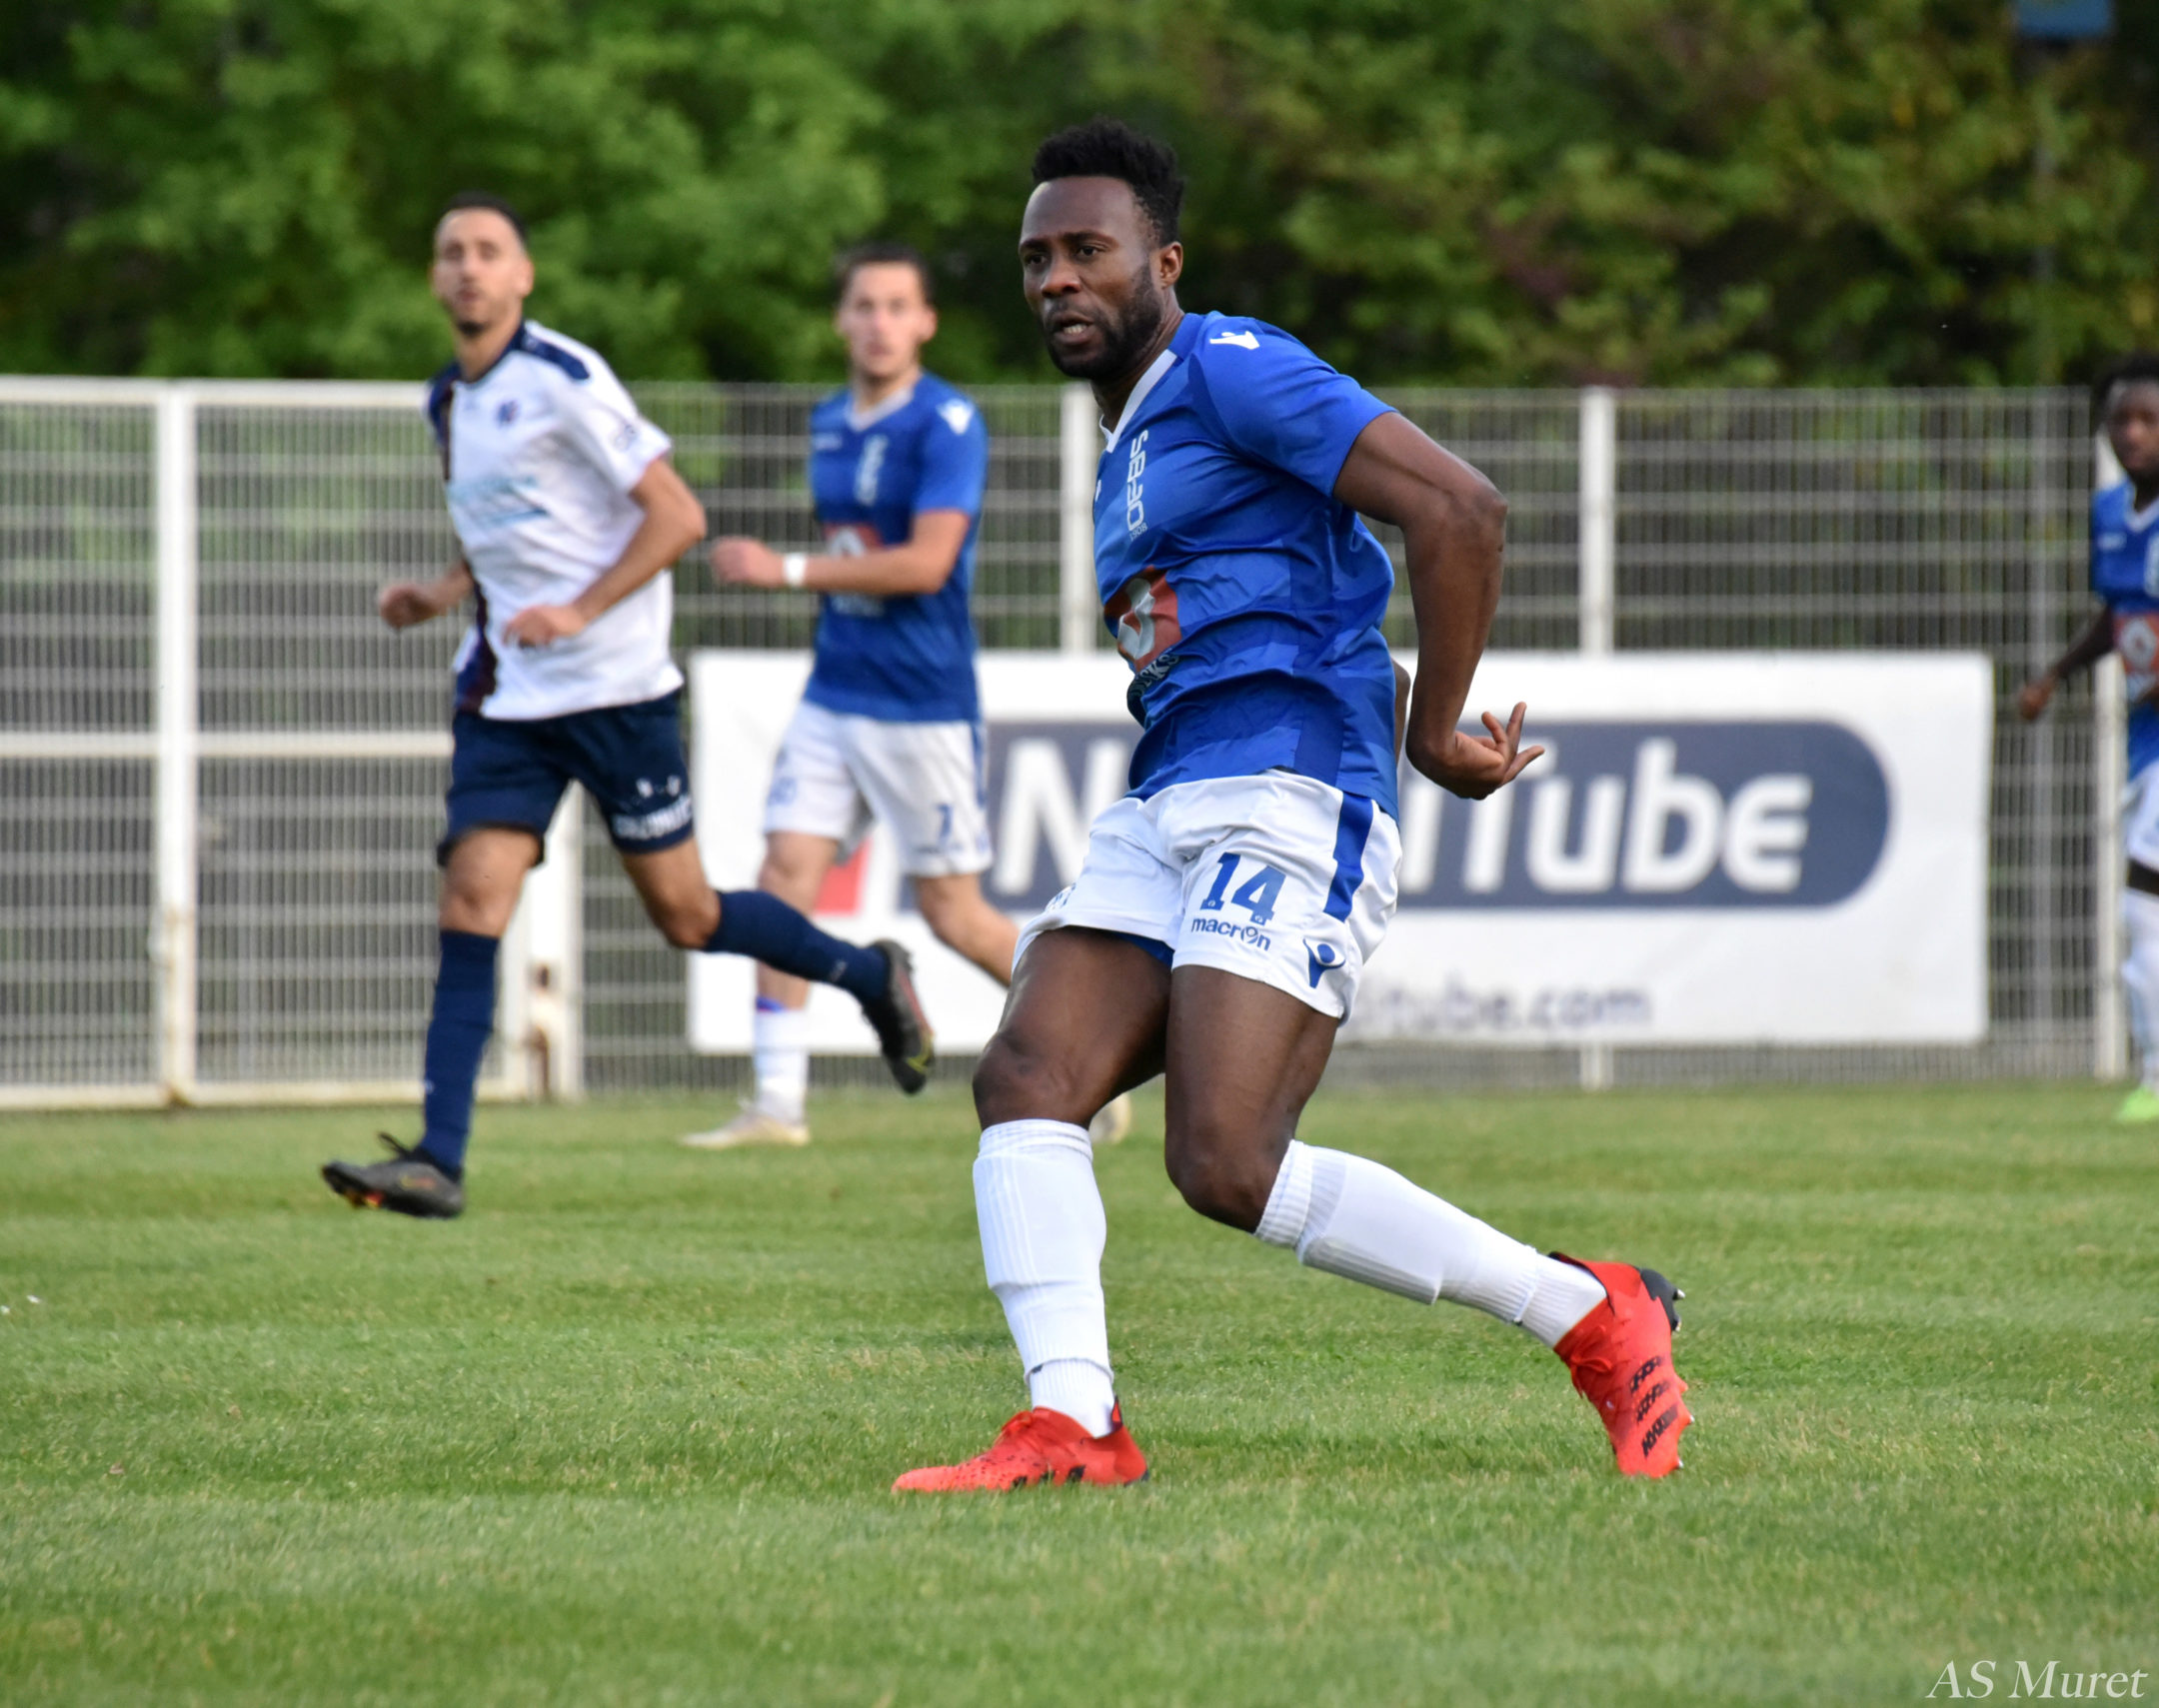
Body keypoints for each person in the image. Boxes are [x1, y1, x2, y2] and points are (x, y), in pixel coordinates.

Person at [892, 121, 1691, 1492]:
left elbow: (1461, 512)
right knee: (1026, 1074)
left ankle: (1589, 1312)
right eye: (1036, 259)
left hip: (1291, 793)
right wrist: (1398, 702)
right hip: (1169, 797)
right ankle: (1074, 1422)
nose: (1057, 280)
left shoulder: (1232, 365)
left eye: (1087, 250)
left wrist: (1428, 731)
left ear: (1164, 263)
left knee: (1224, 1160)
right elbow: (1292, 611)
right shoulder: (1132, 435)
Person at [320, 194, 933, 1221]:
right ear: (434, 278)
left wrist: (580, 610)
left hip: (616, 690)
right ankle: (438, 1158)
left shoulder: (563, 378)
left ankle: (870, 975)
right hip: (508, 694)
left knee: (688, 915)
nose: (468, 266)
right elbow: (506, 530)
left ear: (522, 276)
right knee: (472, 900)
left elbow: (678, 516)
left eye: (489, 250)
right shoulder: (449, 400)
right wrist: (438, 591)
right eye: (451, 251)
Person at [688, 244, 1130, 1150]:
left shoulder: (947, 422)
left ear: (926, 322)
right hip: (833, 690)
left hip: (920, 703)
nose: (880, 323)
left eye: (898, 306)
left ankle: (1095, 1052)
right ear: (841, 320)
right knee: (783, 878)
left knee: (952, 913)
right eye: (865, 305)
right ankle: (777, 1103)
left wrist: (785, 570)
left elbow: (928, 565)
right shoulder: (828, 421)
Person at [2017, 351, 2159, 1122]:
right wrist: (2056, 674)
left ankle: (2157, 1078)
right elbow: (2118, 616)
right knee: (2142, 904)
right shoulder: (2110, 513)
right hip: (2146, 739)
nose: (2132, 433)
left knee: (2143, 898)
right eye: (2120, 420)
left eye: (2148, 420)